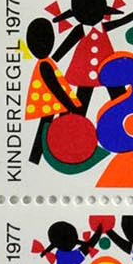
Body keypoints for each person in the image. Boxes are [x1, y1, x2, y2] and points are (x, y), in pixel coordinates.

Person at [20, 14, 84, 164]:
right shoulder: (45, 65)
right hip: (51, 102)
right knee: (49, 128)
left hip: (52, 102)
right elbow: (55, 88)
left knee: (47, 127)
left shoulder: (46, 62)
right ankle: (40, 157)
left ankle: (38, 157)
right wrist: (70, 105)